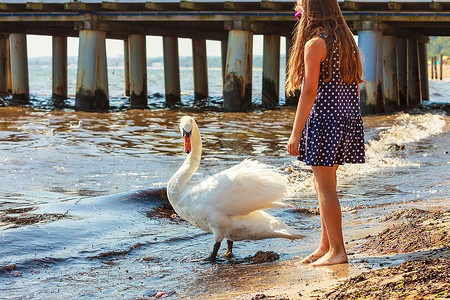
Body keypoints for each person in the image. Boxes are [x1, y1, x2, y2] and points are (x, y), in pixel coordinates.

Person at [286, 0, 365, 266]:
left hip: (324, 122)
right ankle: (325, 245)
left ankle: (338, 251)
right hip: (344, 121)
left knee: (325, 189)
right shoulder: (346, 42)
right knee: (324, 185)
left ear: (310, 12)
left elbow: (309, 91)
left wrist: (295, 134)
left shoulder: (315, 44)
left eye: (299, 10)